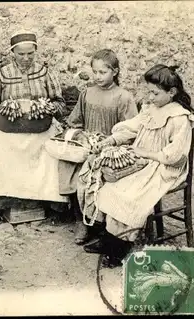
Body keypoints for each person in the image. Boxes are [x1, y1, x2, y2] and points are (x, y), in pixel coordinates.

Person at [77, 64, 194, 268]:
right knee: (110, 185)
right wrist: (111, 141)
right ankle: (111, 238)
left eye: (155, 93)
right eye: (149, 91)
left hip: (164, 168)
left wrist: (145, 153)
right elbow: (132, 129)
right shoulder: (151, 109)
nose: (150, 97)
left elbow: (175, 155)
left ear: (172, 92)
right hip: (142, 161)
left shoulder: (179, 118)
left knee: (129, 195)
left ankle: (119, 247)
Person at [0, 30, 72, 220]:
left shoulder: (45, 74)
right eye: (21, 54)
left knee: (49, 145)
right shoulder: (1, 75)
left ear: (35, 51)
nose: (26, 58)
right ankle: (8, 200)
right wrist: (4, 108)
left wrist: (45, 107)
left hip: (40, 125)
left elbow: (60, 103)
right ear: (12, 53)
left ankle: (43, 199)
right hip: (9, 126)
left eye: (30, 53)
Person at [64, 49, 138, 245]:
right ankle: (84, 221)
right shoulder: (87, 93)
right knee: (71, 170)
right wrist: (81, 135)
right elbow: (75, 122)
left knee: (97, 174)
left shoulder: (123, 97)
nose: (97, 76)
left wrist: (109, 142)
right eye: (94, 72)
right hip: (89, 145)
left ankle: (103, 226)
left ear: (115, 72)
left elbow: (131, 130)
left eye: (102, 72)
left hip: (112, 149)